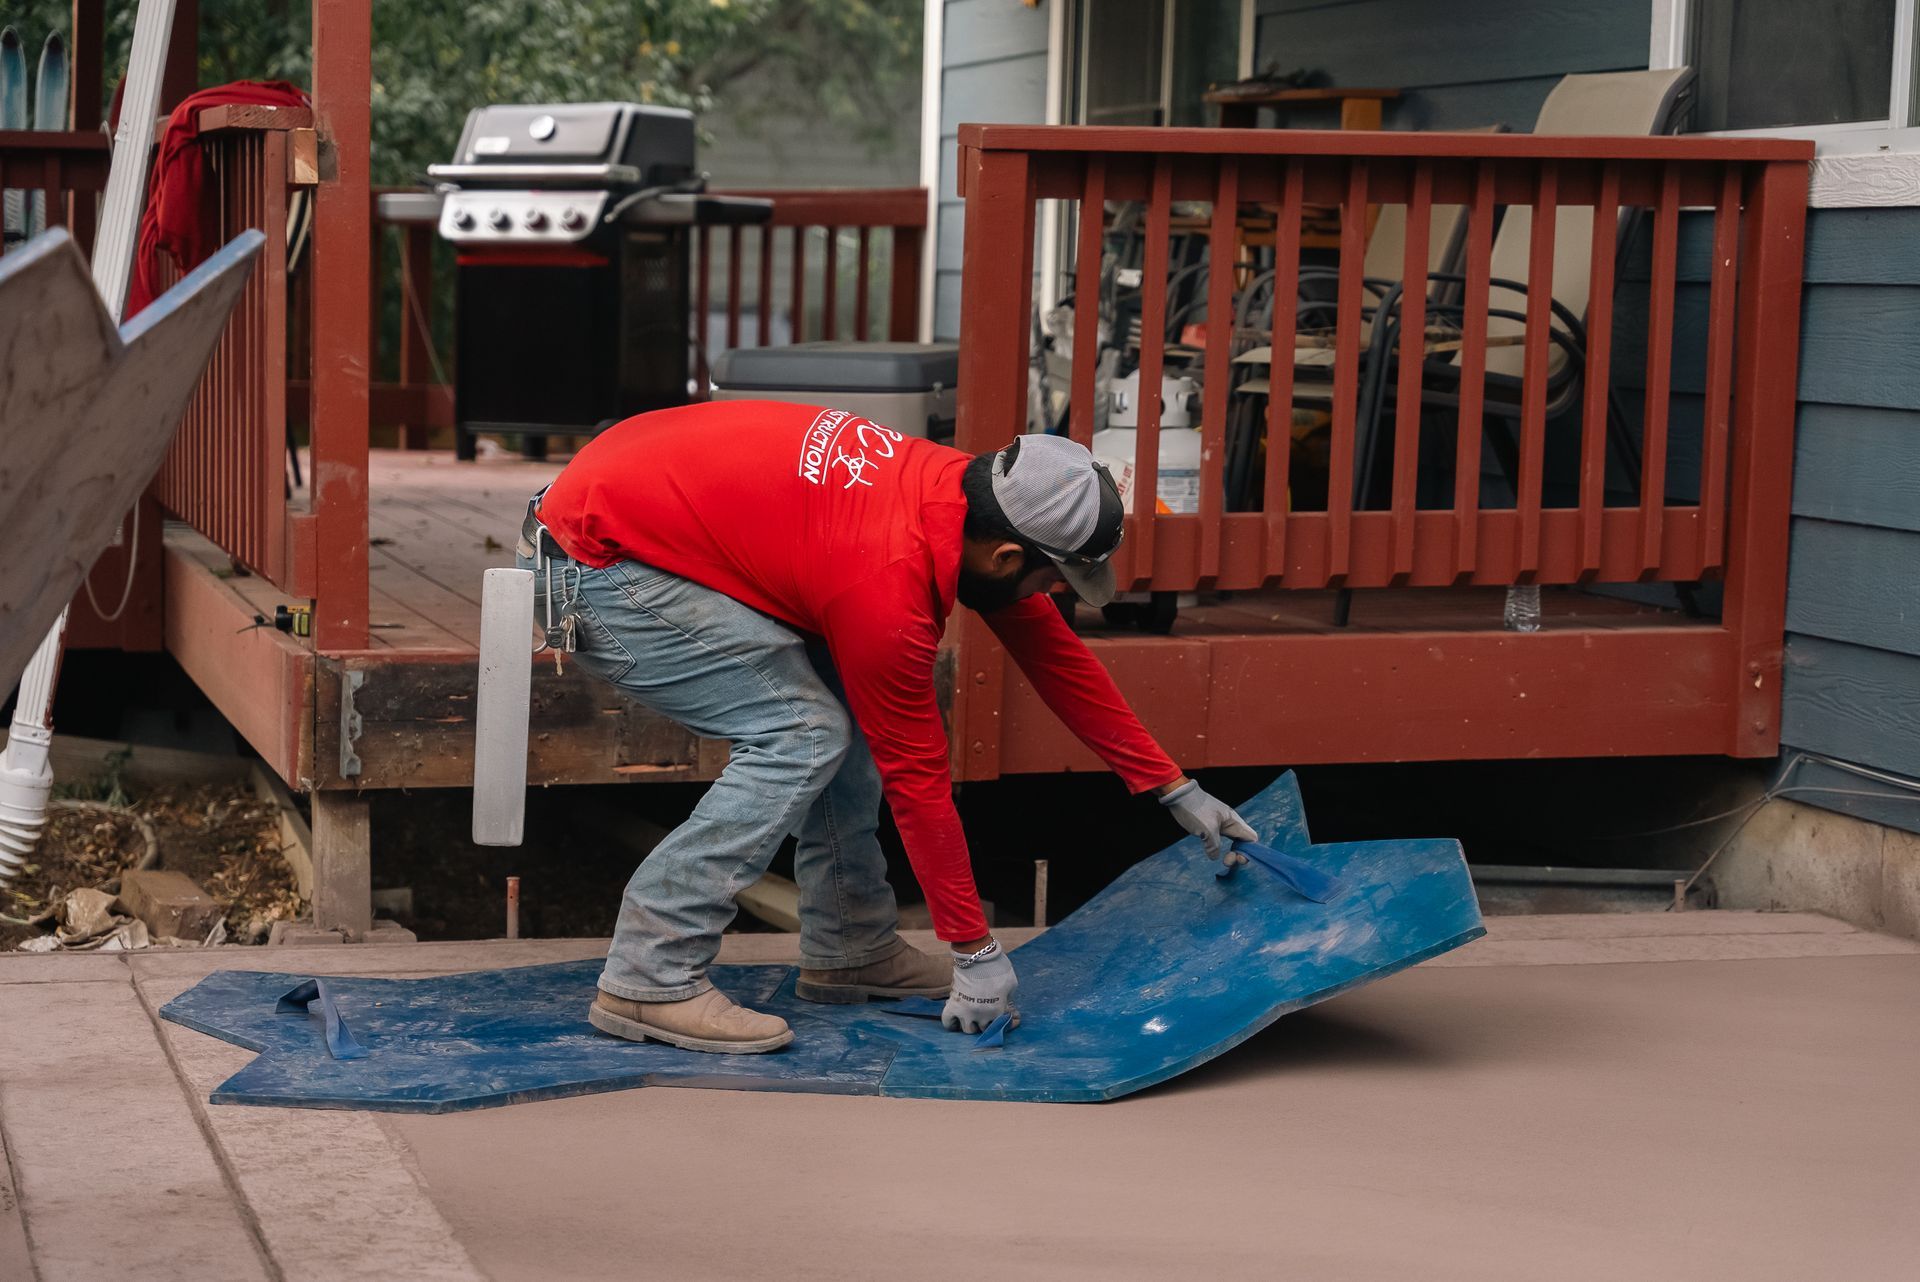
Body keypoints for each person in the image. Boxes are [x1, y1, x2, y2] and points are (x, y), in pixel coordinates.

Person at [522, 400, 1257, 1054]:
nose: (1055, 597)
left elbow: (1053, 655)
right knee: (802, 734)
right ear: (1005, 555)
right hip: (597, 564)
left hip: (647, 516)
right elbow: (919, 781)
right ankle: (649, 974)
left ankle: (850, 948)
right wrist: (972, 951)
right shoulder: (889, 584)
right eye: (1053, 579)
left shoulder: (963, 494)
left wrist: (1171, 787)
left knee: (832, 721)